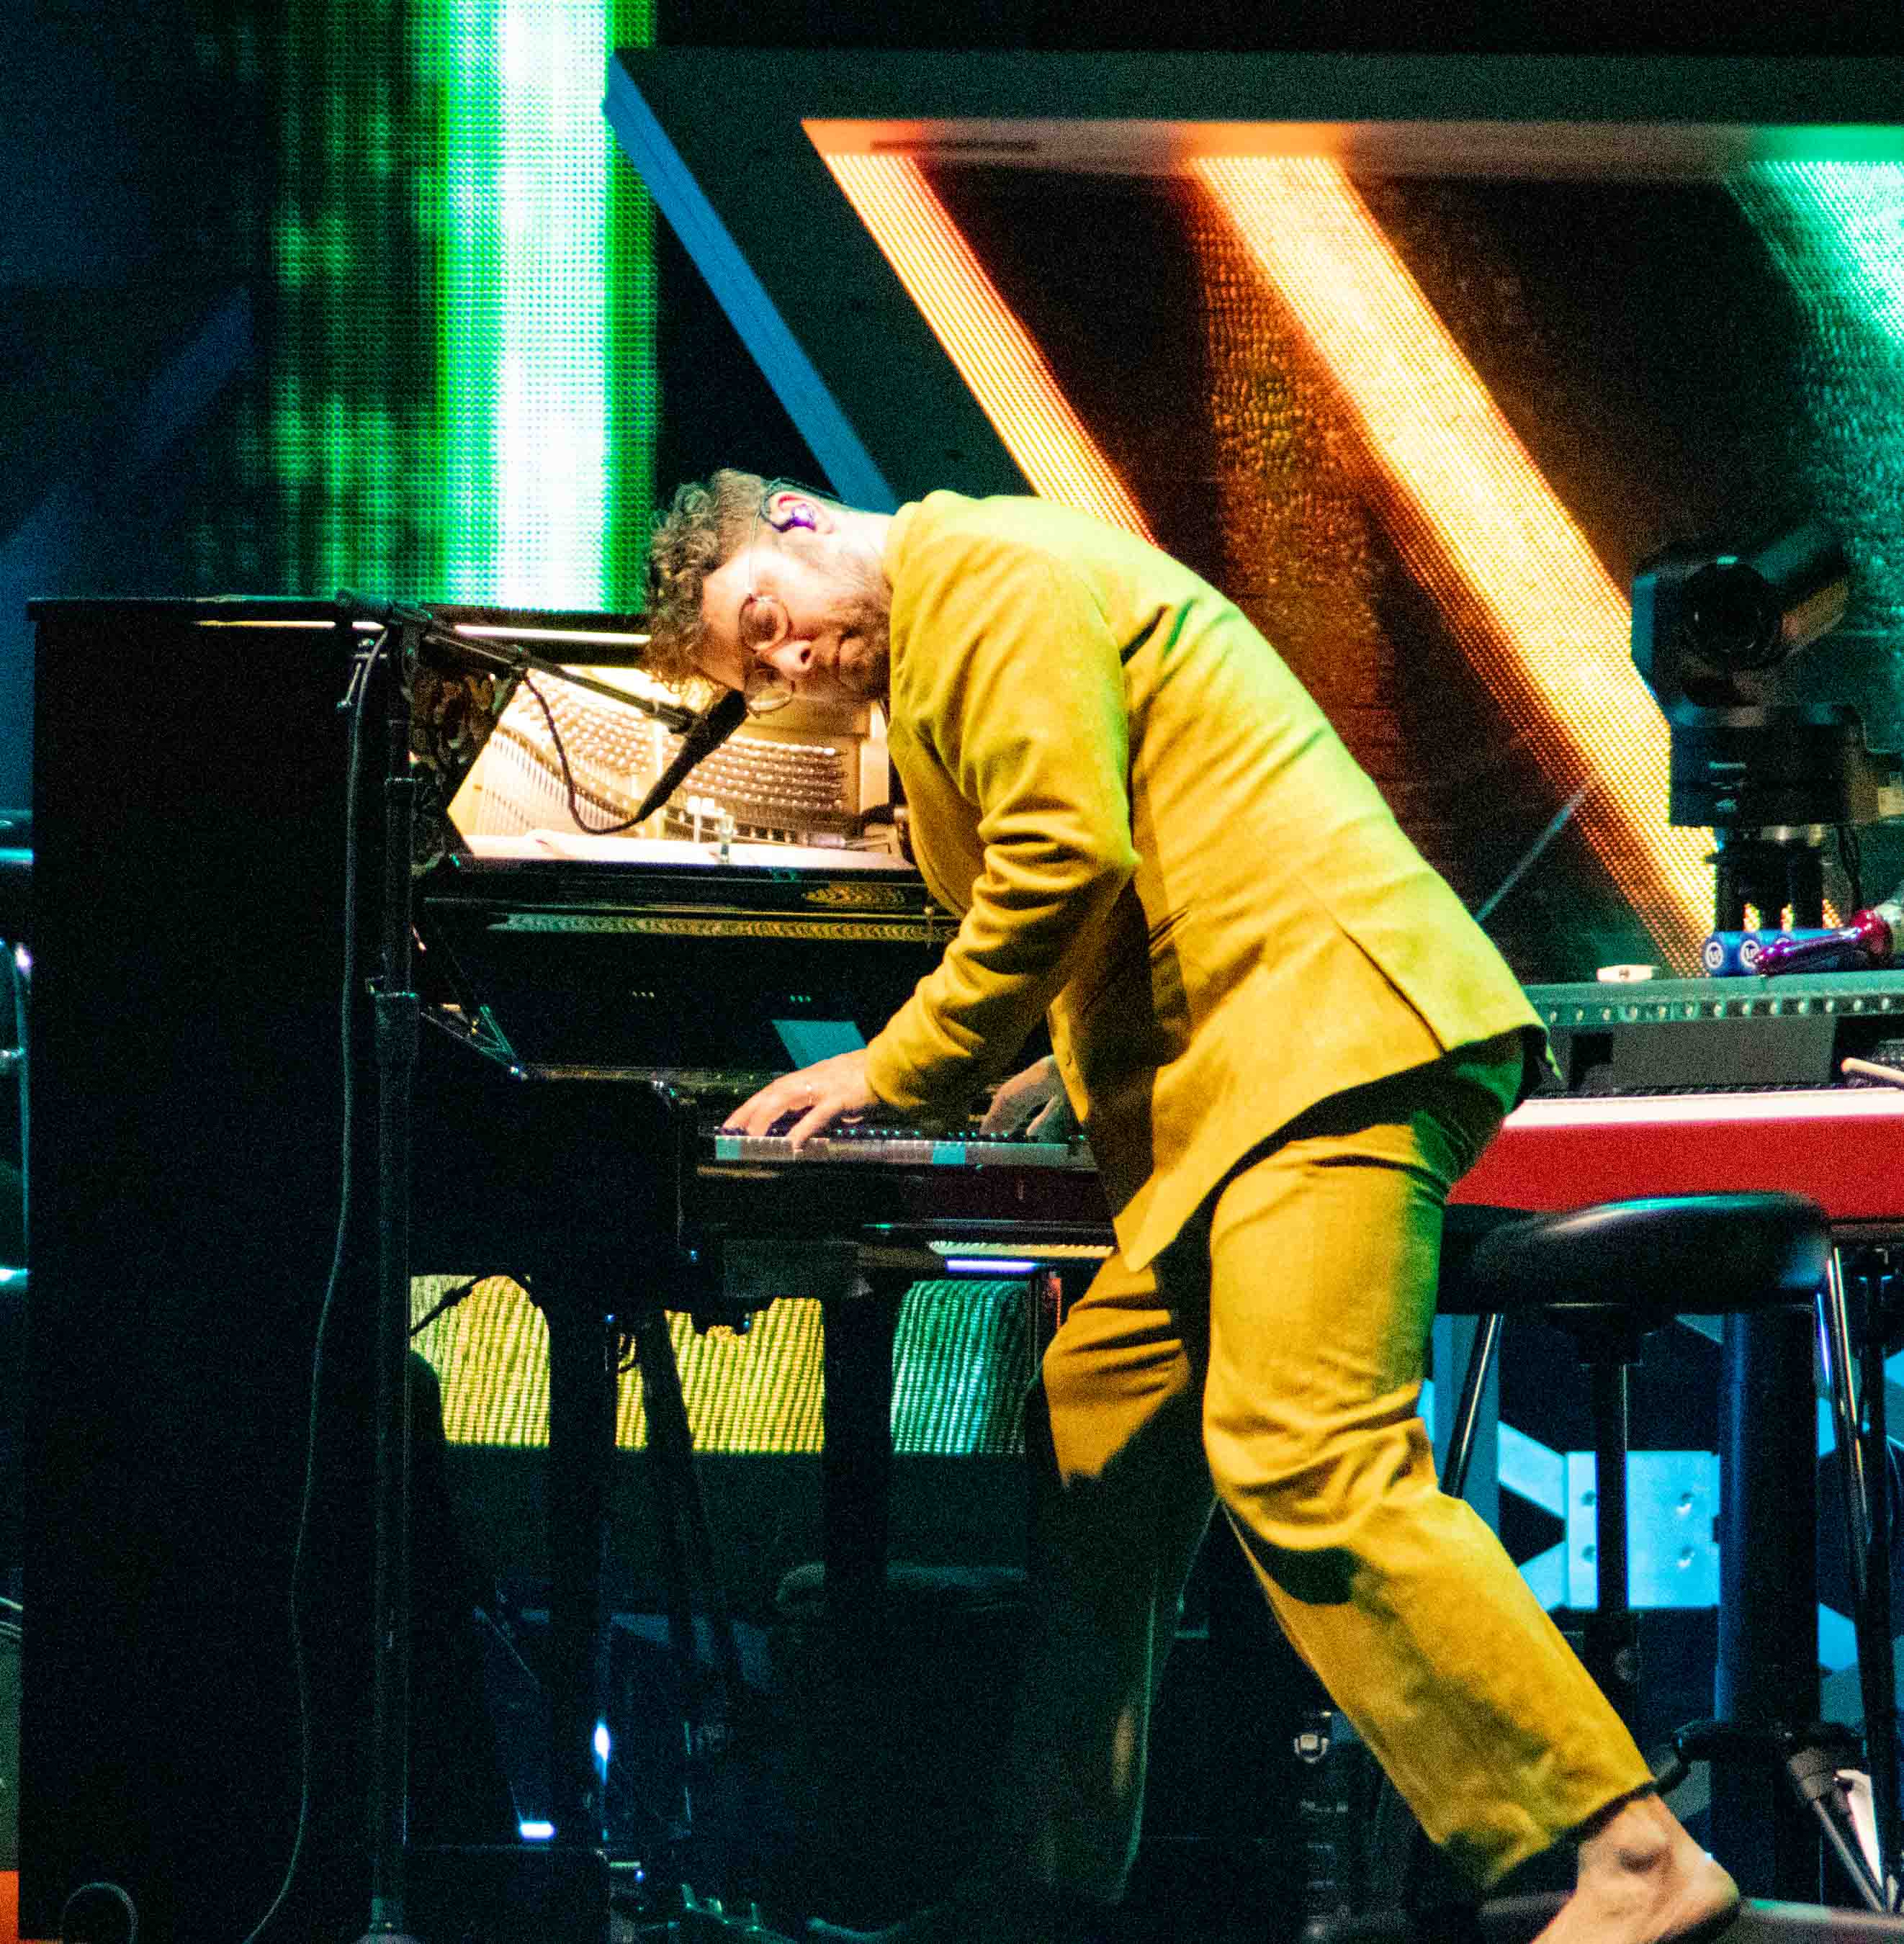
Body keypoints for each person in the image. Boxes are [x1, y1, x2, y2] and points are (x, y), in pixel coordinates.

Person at [641, 471, 1739, 1944]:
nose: (789, 663)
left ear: (793, 521)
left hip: (1328, 1035)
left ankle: (1623, 1851)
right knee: (1101, 1424)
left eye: (768, 623)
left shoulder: (983, 573)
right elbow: (1149, 847)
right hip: (1241, 1066)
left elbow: (1060, 855)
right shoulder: (961, 624)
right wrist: (1054, 1059)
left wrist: (898, 1067)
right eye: (757, 668)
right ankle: (1044, 1884)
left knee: (1303, 1452)